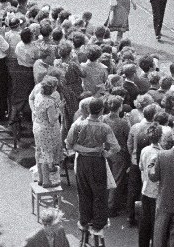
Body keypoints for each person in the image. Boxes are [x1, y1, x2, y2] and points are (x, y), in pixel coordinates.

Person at [65, 97, 121, 246]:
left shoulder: (78, 125)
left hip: (82, 162)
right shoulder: (105, 127)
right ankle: (97, 224)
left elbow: (69, 144)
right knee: (99, 193)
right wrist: (104, 153)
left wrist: (84, 150)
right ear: (102, 111)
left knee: (84, 192)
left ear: (88, 110)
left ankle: (84, 221)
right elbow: (116, 147)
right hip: (97, 162)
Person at [31, 75, 63, 187]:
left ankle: (40, 178)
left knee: (39, 152)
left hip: (37, 126)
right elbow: (52, 119)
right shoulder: (49, 101)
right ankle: (46, 181)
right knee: (46, 154)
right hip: (47, 130)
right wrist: (59, 110)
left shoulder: (39, 95)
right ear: (53, 88)